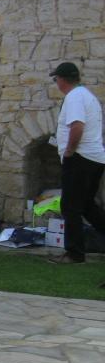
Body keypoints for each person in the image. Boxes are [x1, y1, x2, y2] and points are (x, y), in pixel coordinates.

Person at [50, 62, 105, 264]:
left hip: (80, 158)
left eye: (56, 79)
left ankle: (74, 254)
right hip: (94, 158)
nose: (56, 82)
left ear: (62, 79)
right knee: (87, 205)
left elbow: (77, 127)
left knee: (70, 207)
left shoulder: (74, 97)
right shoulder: (87, 96)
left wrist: (69, 152)